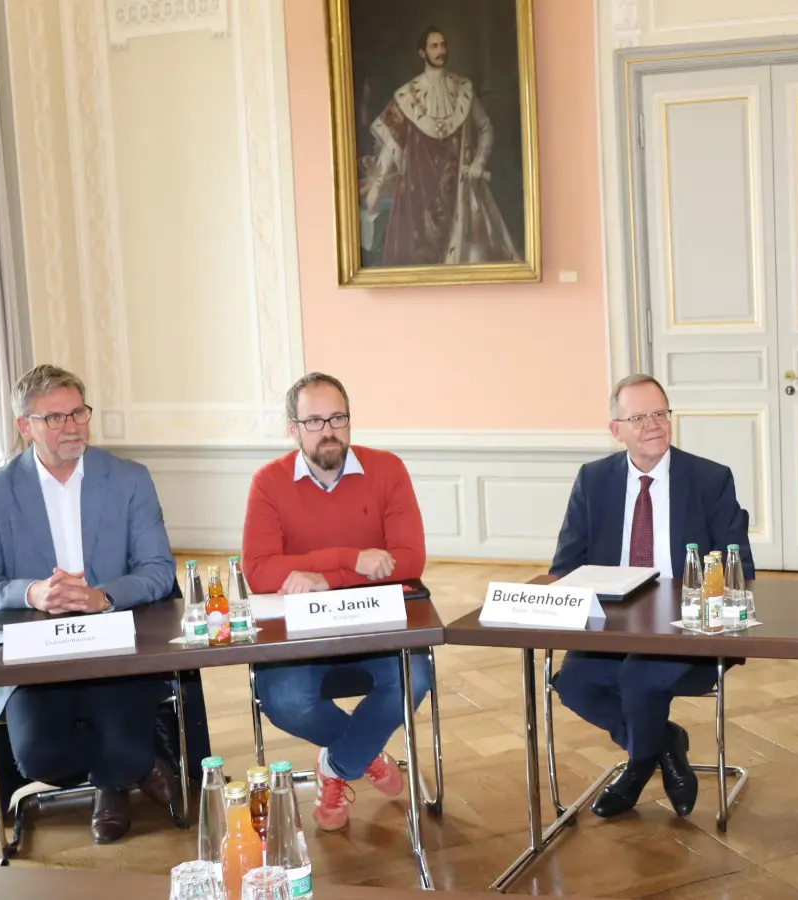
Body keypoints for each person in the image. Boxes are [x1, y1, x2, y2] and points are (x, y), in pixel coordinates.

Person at [0, 365, 178, 844]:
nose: (72, 426)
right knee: (40, 758)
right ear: (25, 427)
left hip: (116, 646)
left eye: (78, 412)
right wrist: (32, 592)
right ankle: (130, 770)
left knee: (123, 746)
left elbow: (159, 570)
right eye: (54, 418)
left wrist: (104, 596)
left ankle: (117, 776)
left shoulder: (128, 479)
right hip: (35, 653)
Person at [549, 374, 754, 819]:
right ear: (616, 429)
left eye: (659, 413)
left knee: (639, 678)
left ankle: (638, 766)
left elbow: (743, 568)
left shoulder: (710, 479)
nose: (652, 425)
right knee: (573, 684)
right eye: (638, 417)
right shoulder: (594, 480)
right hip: (614, 623)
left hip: (688, 627)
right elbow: (566, 566)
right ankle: (665, 746)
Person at [242, 373, 433, 832]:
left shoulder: (387, 470)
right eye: (313, 421)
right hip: (301, 629)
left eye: (337, 418)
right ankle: (365, 753)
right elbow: (260, 571)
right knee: (284, 700)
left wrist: (320, 576)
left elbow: (409, 560)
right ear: (293, 429)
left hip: (376, 622)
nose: (328, 430)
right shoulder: (269, 483)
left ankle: (339, 765)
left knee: (416, 676)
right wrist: (352, 562)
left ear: (349, 420)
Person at [362, 25, 519, 266]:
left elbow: (486, 129)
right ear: (422, 53)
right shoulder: (407, 95)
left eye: (443, 45)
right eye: (434, 46)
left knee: (473, 257)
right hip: (418, 191)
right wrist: (377, 184)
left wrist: (478, 163)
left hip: (460, 188)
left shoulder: (463, 89)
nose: (441, 50)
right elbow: (392, 143)